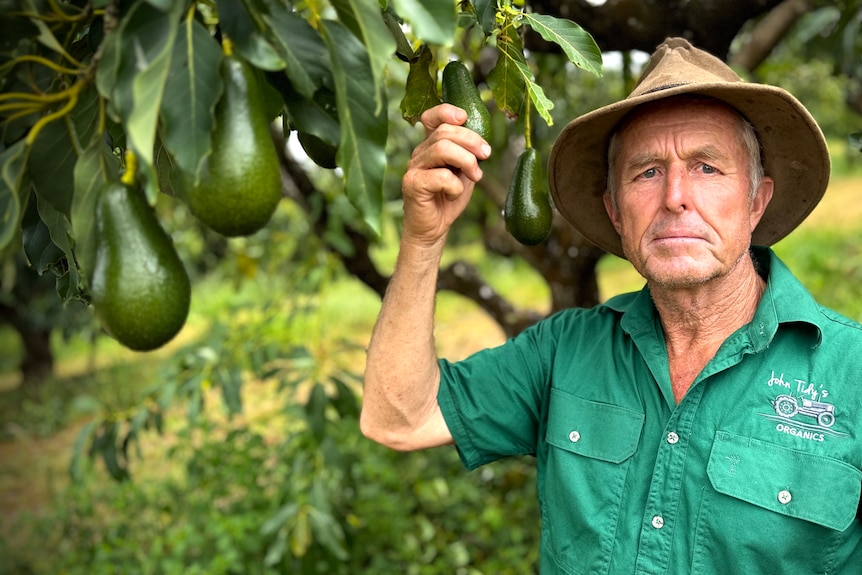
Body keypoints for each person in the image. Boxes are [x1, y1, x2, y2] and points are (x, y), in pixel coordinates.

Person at [361, 37, 862, 574]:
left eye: (706, 168)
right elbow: (398, 418)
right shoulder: (564, 351)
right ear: (616, 212)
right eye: (646, 171)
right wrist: (422, 238)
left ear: (756, 201)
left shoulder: (850, 370)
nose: (674, 196)